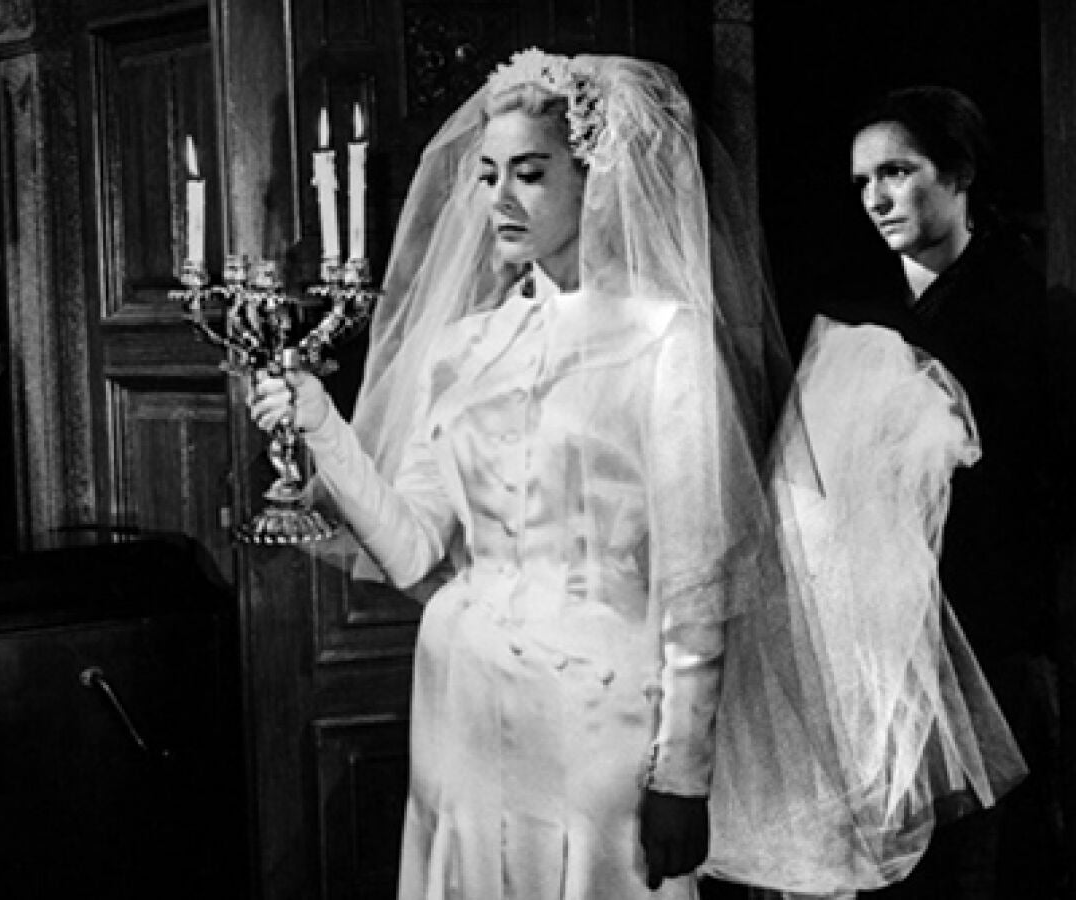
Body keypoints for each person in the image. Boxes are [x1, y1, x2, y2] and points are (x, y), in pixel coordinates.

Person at [250, 49, 784, 897]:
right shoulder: (466, 346)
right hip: (459, 697)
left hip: (599, 710)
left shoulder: (663, 341)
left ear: (594, 181)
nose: (499, 197)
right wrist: (322, 426)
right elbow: (412, 547)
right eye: (488, 174)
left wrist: (683, 770)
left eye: (529, 174)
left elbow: (694, 576)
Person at [704, 86, 1061, 900]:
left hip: (985, 627)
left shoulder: (1025, 304)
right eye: (863, 181)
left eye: (897, 172)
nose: (876, 197)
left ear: (958, 173)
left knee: (987, 865)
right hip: (862, 649)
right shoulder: (849, 310)